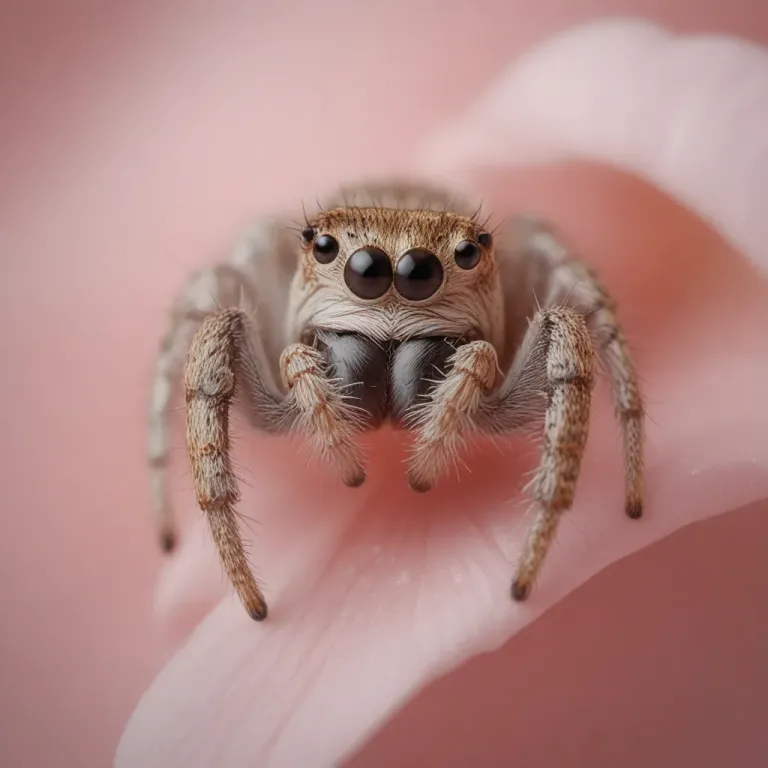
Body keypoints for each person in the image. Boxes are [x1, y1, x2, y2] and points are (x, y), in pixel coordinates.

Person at [116, 19, 768, 768]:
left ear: (474, 262)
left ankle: (547, 525)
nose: (390, 296)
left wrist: (615, 440)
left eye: (429, 278)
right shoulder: (272, 291)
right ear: (317, 257)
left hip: (497, 352)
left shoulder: (514, 285)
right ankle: (217, 534)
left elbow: (579, 309)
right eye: (351, 269)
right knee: (211, 314)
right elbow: (205, 319)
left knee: (564, 311)